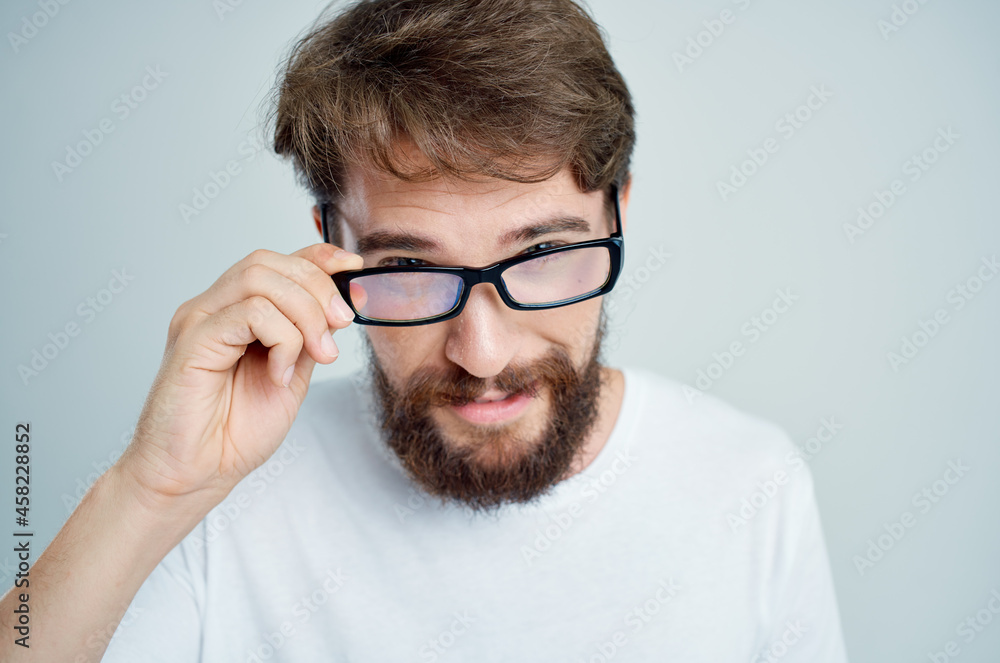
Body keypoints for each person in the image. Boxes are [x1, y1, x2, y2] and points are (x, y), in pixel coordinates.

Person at [0, 0, 849, 660]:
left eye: (542, 254)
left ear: (618, 210)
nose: (482, 353)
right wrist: (149, 492)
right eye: (409, 267)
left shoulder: (751, 487)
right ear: (330, 242)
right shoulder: (224, 493)